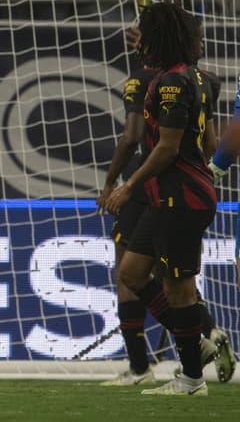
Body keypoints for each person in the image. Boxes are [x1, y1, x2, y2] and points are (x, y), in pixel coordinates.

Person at [100, 29, 235, 387]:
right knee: (142, 273)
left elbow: (136, 138)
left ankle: (154, 367)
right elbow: (210, 143)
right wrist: (205, 172)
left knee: (164, 280)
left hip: (164, 189)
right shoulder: (204, 80)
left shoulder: (152, 80)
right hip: (170, 189)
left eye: (146, 39)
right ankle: (203, 337)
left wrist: (118, 184)